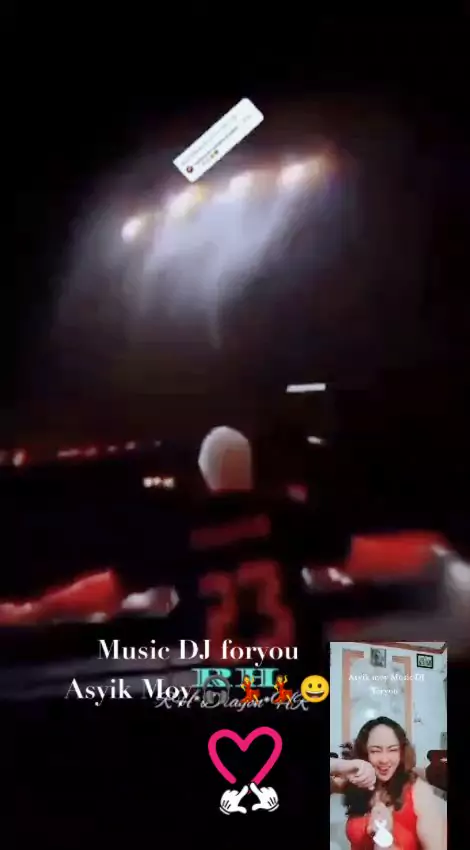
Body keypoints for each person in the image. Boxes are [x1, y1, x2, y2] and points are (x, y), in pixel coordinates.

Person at [331, 717, 446, 850]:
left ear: (401, 752)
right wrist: (342, 765)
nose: (384, 760)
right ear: (365, 753)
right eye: (375, 751)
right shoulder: (358, 782)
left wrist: (384, 839)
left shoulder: (419, 793)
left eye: (392, 750)